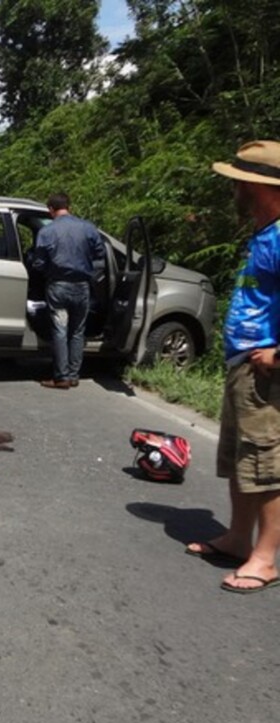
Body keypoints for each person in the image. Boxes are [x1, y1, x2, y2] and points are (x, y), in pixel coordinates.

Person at [186, 139, 280, 594]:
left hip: (267, 370)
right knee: (242, 459)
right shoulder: (264, 232)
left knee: (267, 463)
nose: (235, 189)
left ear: (264, 187)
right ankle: (239, 539)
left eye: (241, 181)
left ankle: (265, 559)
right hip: (244, 364)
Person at [28, 192, 106, 388]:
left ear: (51, 210)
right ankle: (73, 375)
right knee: (78, 331)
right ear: (68, 207)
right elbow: (100, 254)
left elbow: (38, 262)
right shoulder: (87, 228)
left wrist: (47, 271)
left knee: (60, 330)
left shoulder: (47, 232)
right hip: (82, 287)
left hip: (58, 288)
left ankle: (61, 377)